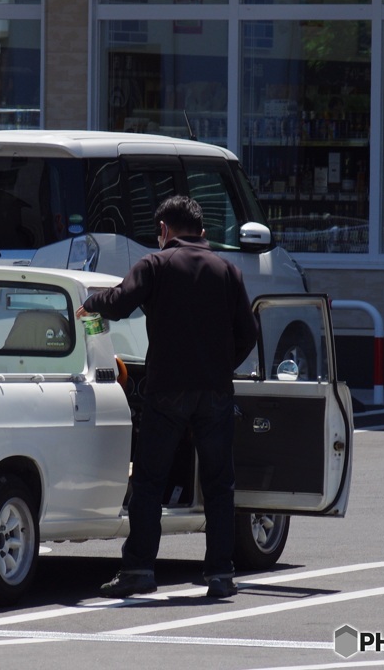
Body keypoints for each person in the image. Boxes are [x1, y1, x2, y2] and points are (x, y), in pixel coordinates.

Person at [75, 195, 259, 599]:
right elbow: (248, 334)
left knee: (149, 483)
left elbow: (120, 303)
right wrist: (220, 366)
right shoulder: (228, 270)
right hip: (214, 392)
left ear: (163, 230)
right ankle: (220, 574)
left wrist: (90, 304)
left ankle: (139, 569)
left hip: (166, 391)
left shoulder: (155, 265)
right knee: (218, 485)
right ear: (202, 231)